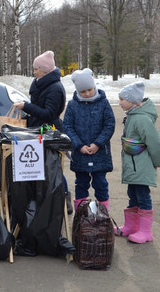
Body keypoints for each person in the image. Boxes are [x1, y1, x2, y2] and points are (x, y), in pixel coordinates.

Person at [13, 50, 72, 213]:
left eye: (36, 69)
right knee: (39, 167)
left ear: (45, 70)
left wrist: (27, 106)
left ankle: (65, 197)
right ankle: (43, 200)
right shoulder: (40, 82)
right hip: (37, 130)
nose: (33, 72)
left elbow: (49, 114)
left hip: (50, 132)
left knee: (53, 168)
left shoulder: (55, 88)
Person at [114, 81, 160, 244]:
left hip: (141, 166)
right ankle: (131, 226)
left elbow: (154, 143)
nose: (120, 102)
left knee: (143, 196)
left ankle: (145, 231)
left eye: (122, 99)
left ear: (133, 101)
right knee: (133, 195)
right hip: (134, 166)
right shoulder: (132, 116)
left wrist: (157, 161)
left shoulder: (142, 119)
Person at [62, 68, 115, 214]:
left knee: (101, 183)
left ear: (94, 87)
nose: (87, 94)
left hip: (100, 153)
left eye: (90, 90)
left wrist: (98, 143)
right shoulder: (72, 105)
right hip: (80, 153)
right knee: (81, 183)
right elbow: (67, 126)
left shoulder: (103, 103)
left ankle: (103, 215)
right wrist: (78, 146)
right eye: (83, 91)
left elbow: (109, 125)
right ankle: (82, 215)